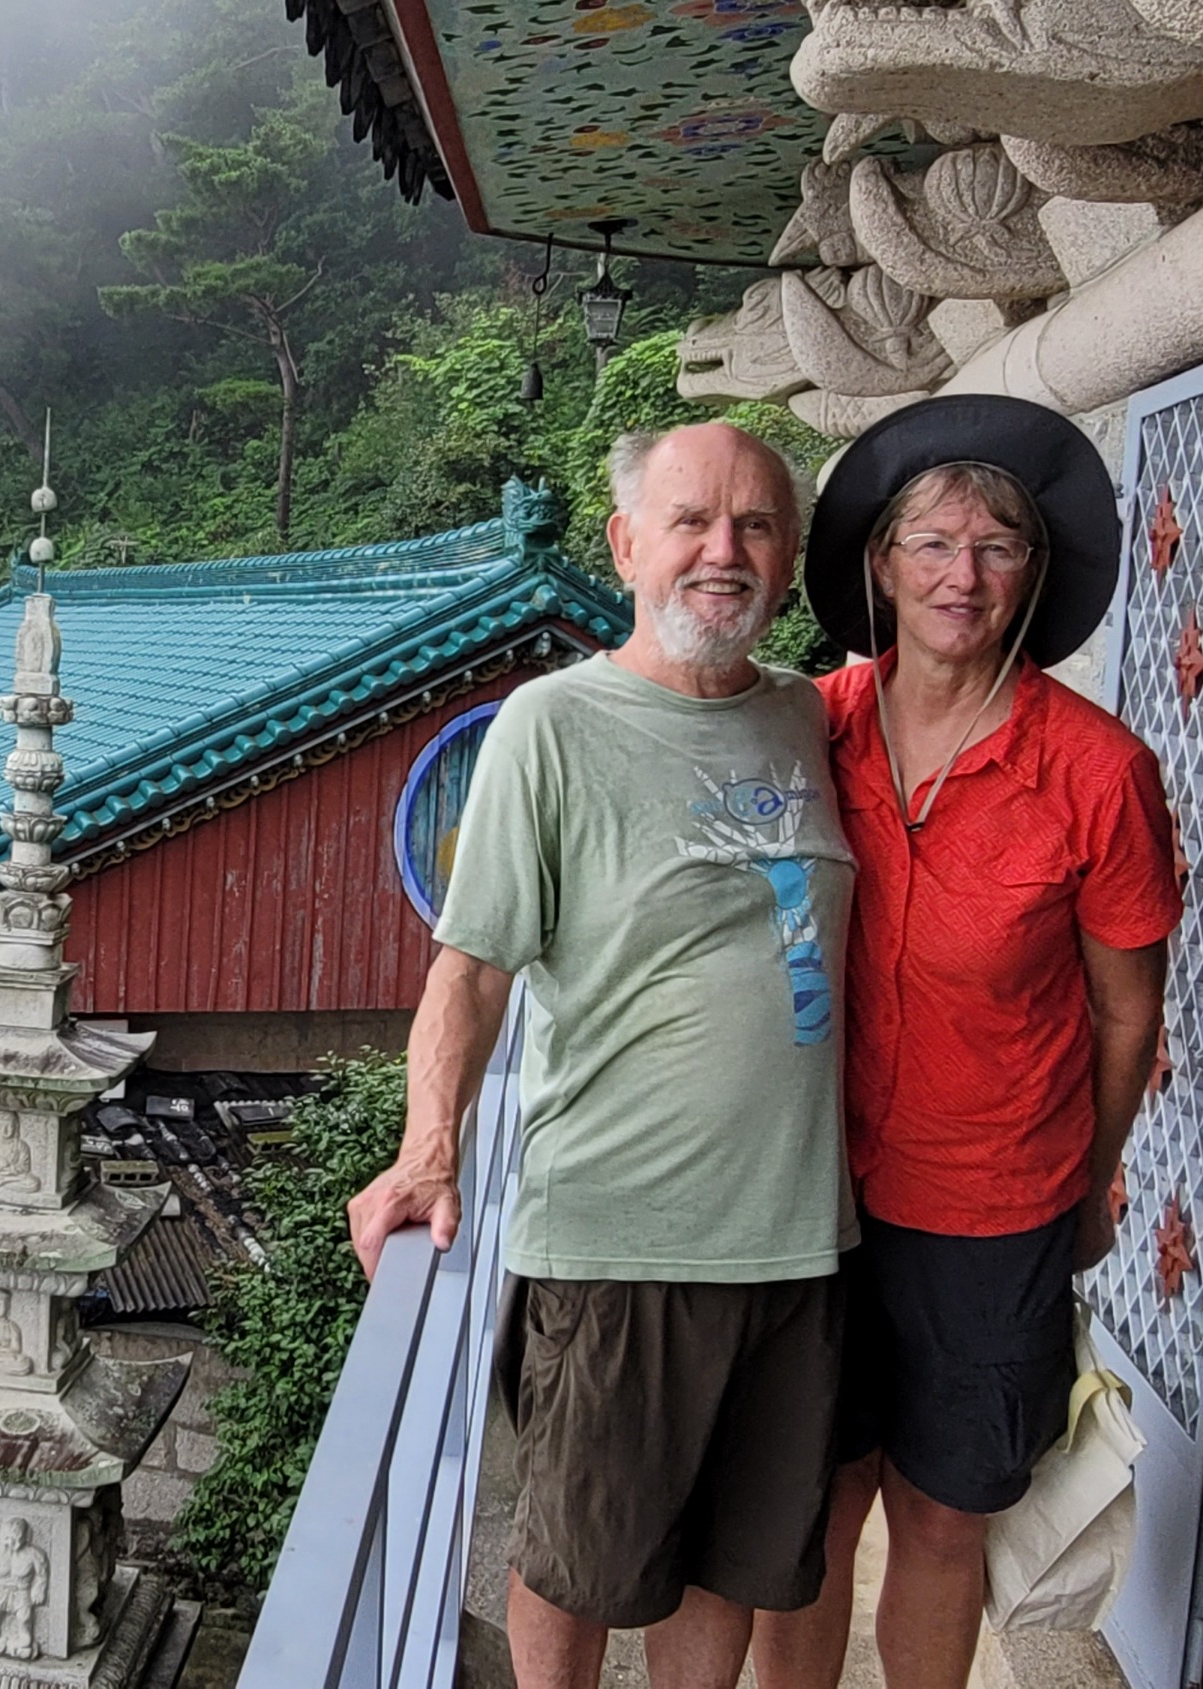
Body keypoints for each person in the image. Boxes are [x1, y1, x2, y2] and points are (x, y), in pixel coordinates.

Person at [348, 421, 858, 1689]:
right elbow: (469, 968)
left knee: (735, 1566)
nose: (720, 553)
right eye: (690, 523)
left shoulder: (810, 716)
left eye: (752, 527)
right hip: (621, 1240)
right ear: (629, 545)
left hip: (799, 1241)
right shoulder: (552, 725)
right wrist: (428, 1151)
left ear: (788, 560)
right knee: (578, 1563)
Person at [751, 395, 1179, 1689]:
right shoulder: (805, 728)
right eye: (932, 542)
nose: (963, 573)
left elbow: (1126, 1011)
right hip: (805, 1193)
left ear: (1036, 576)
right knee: (811, 1518)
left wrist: (1087, 1181)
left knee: (941, 1518)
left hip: (995, 1209)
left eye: (998, 546)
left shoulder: (1097, 772)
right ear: (879, 564)